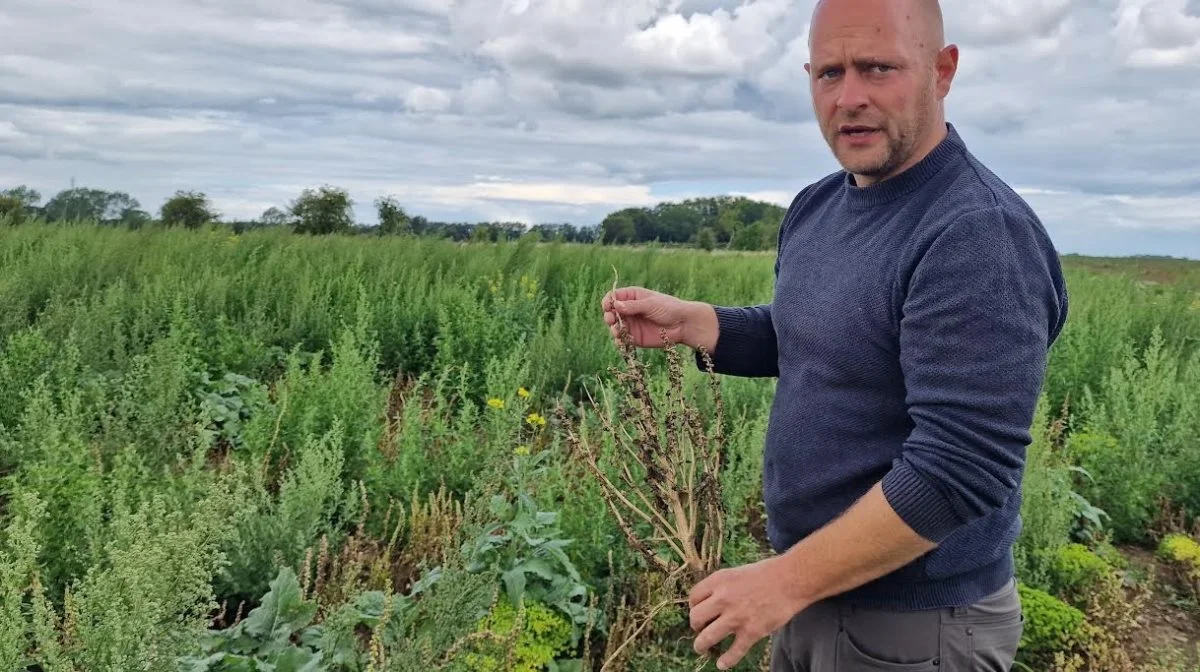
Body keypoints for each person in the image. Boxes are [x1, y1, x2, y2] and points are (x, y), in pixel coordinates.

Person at [600, 0, 1069, 669]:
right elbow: (818, 339)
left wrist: (783, 582)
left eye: (878, 68)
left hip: (913, 626)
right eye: (829, 74)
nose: (850, 97)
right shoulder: (819, 205)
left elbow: (961, 468)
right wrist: (700, 324)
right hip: (817, 586)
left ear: (943, 71)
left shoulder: (975, 234)